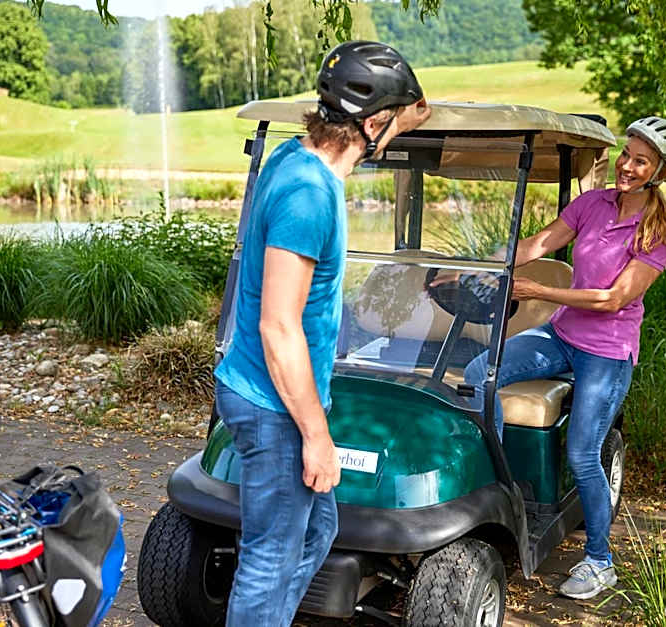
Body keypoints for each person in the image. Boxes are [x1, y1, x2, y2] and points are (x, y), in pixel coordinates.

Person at [213, 41, 430, 627]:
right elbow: (278, 326)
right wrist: (315, 434)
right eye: (394, 123)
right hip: (272, 401)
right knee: (272, 554)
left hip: (271, 390)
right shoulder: (308, 196)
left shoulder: (293, 155)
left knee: (317, 530)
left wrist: (405, 111)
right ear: (373, 121)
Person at [464, 116, 666, 600]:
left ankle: (599, 561)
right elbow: (539, 244)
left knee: (584, 455)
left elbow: (612, 300)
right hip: (563, 333)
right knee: (478, 373)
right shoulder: (593, 203)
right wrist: (484, 262)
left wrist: (539, 288)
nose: (627, 166)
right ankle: (495, 493)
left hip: (607, 351)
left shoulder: (658, 232)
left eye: (640, 161)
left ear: (659, 172)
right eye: (626, 155)